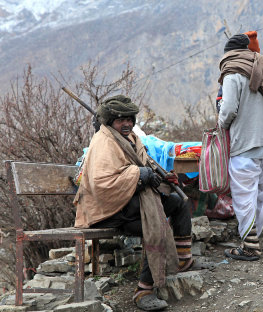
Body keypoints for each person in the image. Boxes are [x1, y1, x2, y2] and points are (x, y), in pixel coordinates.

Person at [73, 95, 210, 311]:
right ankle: (143, 290)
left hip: (130, 204)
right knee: (155, 223)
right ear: (110, 121)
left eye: (129, 119)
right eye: (120, 120)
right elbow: (102, 183)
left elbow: (145, 165)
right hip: (109, 210)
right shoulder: (103, 142)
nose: (126, 124)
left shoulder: (132, 139)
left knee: (177, 202)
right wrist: (140, 174)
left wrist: (162, 177)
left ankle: (184, 260)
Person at [218, 33, 263, 261]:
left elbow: (228, 109)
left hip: (245, 143)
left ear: (228, 53)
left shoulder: (232, 72)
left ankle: (250, 245)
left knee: (243, 195)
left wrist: (221, 125)